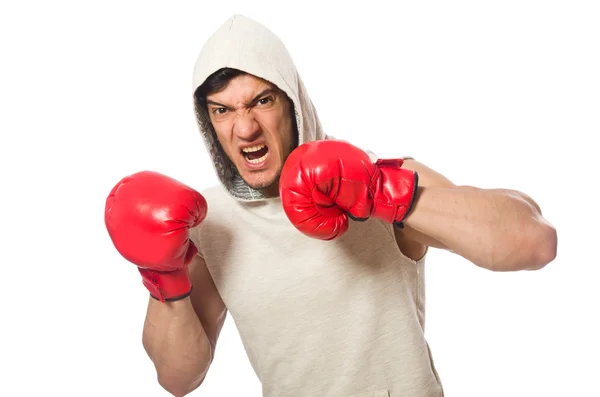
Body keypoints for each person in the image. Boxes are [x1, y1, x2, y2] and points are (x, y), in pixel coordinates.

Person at [104, 14, 557, 397]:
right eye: (222, 110)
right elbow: (178, 378)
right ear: (207, 122)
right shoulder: (210, 224)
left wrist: (380, 191)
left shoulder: (381, 177)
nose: (245, 130)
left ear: (293, 103)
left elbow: (535, 242)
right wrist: (162, 275)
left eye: (262, 101)